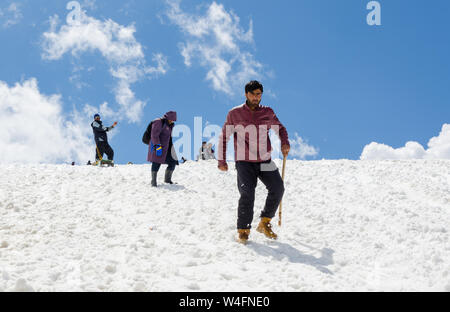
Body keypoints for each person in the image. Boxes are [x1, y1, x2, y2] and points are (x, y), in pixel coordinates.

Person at [218, 80, 290, 244]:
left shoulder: (267, 112)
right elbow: (224, 137)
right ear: (246, 94)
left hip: (265, 159)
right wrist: (221, 160)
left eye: (259, 94)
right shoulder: (234, 114)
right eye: (253, 94)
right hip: (244, 161)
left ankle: (265, 222)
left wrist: (284, 142)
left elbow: (280, 128)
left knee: (278, 188)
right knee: (247, 194)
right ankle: (243, 230)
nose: (256, 97)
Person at [148, 111, 179, 187]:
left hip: (167, 147)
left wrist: (172, 149)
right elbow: (154, 135)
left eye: (173, 120)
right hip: (157, 145)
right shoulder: (158, 122)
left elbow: (169, 137)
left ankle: (167, 180)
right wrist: (157, 146)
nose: (172, 121)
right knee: (156, 162)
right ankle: (153, 182)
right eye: (171, 119)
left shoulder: (171, 125)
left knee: (173, 161)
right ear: (168, 117)